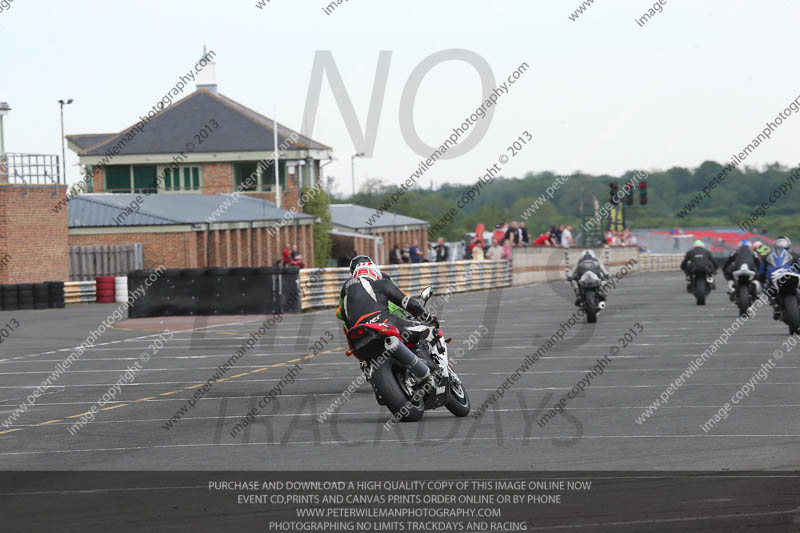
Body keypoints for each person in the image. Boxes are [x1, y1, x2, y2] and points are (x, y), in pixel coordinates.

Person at [336, 256, 437, 383]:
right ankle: (424, 360)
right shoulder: (383, 278)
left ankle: (366, 363)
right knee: (427, 331)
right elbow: (399, 295)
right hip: (388, 318)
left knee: (348, 326)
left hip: (359, 332)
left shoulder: (347, 286)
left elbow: (341, 313)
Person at [762, 236, 800, 319]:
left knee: (765, 287)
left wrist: (760, 279)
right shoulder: (795, 254)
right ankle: (775, 304)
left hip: (775, 281)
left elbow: (762, 272)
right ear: (788, 245)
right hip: (791, 278)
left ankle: (774, 304)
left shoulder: (767, 256)